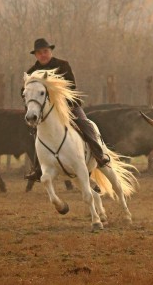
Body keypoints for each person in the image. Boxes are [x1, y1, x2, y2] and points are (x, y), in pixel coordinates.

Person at [22, 38, 110, 181]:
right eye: (39, 53)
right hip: (45, 113)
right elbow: (24, 91)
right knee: (36, 135)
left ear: (50, 52)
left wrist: (57, 98)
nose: (43, 55)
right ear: (36, 55)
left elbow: (72, 86)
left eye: (45, 51)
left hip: (69, 106)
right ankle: (38, 169)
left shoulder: (63, 65)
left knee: (85, 123)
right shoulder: (32, 72)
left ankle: (99, 155)